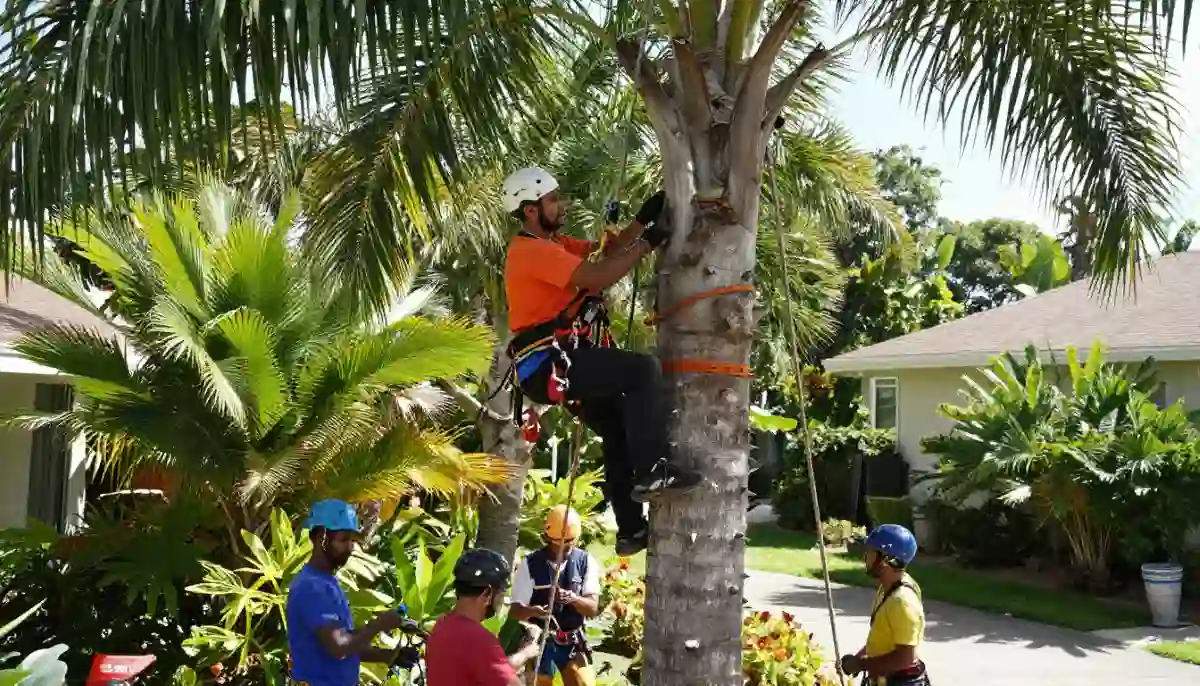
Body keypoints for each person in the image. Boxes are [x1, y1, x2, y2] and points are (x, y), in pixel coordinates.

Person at [501, 166, 702, 557]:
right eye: (552, 200)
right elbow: (596, 277)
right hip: (549, 363)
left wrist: (642, 219)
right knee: (643, 371)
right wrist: (645, 244)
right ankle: (652, 471)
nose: (561, 205)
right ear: (529, 210)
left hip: (551, 365)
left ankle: (630, 529)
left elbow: (603, 253)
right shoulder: (531, 251)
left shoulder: (554, 245)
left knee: (616, 424)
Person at [286, 499, 406, 686]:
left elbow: (344, 644)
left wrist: (388, 656)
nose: (350, 547)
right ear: (321, 539)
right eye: (343, 540)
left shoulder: (326, 582)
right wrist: (379, 625)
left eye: (352, 540)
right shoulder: (312, 587)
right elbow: (339, 647)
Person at [508, 506, 601, 686]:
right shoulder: (530, 564)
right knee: (540, 682)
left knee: (583, 683)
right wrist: (532, 611)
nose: (563, 550)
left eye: (568, 544)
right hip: (541, 641)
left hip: (572, 641)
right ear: (548, 538)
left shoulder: (585, 561)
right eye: (558, 544)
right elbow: (514, 611)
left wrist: (572, 599)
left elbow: (592, 608)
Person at [426, 548, 543, 686]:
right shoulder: (478, 639)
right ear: (487, 594)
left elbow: (490, 669)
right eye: (501, 592)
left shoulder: (442, 624)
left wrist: (525, 653)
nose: (502, 599)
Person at [839, 524, 930, 686]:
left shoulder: (902, 602)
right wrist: (858, 658)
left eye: (871, 552)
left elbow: (904, 658)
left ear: (887, 560)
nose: (865, 556)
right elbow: (883, 640)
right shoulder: (887, 588)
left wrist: (861, 664)